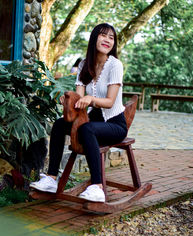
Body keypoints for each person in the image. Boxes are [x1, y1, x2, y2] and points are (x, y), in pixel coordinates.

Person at [30, 23, 128, 202]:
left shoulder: (115, 65)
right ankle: (52, 178)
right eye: (103, 35)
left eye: (111, 37)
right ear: (94, 38)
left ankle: (97, 187)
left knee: (86, 129)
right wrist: (69, 99)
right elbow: (78, 102)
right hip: (90, 121)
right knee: (60, 124)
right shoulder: (84, 65)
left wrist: (90, 99)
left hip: (114, 124)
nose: (107, 40)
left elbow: (109, 102)